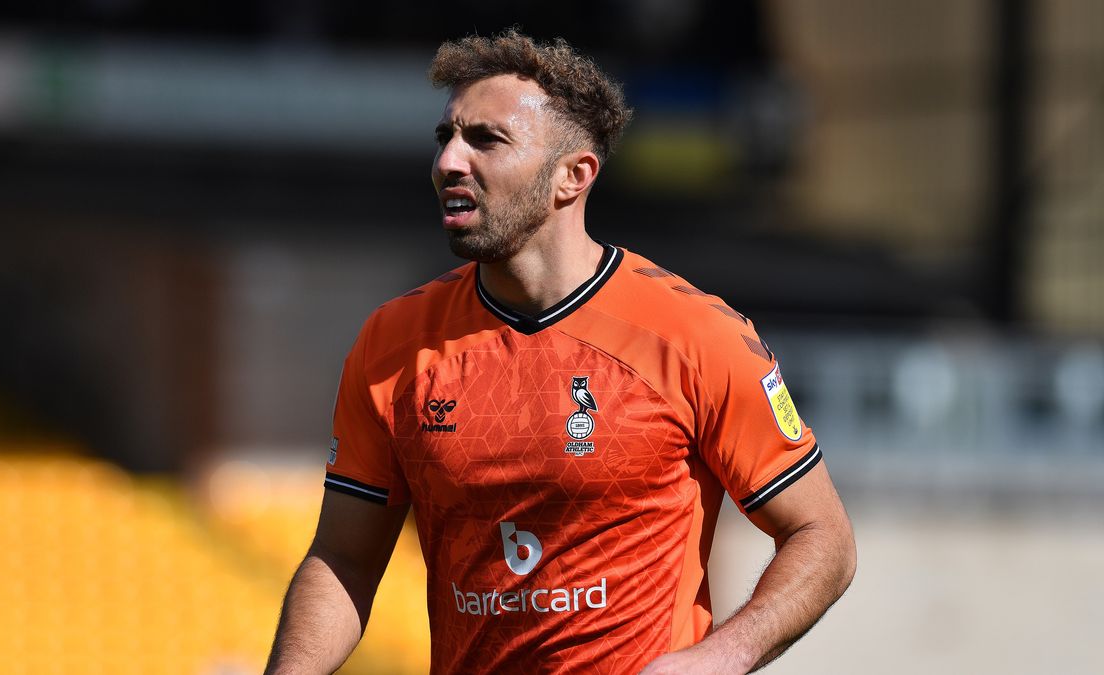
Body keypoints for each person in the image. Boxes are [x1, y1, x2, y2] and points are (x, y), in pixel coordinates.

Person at [265, 30, 856, 675]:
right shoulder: (394, 343)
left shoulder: (695, 336)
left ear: (573, 177)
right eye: (446, 138)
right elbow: (344, 559)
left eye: (485, 140)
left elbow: (823, 537)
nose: (448, 163)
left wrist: (718, 659)